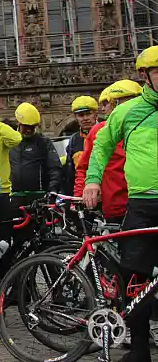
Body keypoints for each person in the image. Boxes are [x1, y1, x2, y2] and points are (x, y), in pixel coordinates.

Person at [84, 46, 158, 362]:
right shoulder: (127, 112)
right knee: (134, 277)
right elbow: (101, 147)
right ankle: (139, 347)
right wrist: (92, 181)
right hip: (142, 203)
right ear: (145, 76)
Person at [74, 80, 141, 223]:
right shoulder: (99, 131)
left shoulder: (147, 127)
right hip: (115, 205)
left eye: (106, 104)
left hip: (145, 202)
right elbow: (84, 167)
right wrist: (79, 196)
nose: (104, 109)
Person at [9, 103, 62, 201]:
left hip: (39, 196)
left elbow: (54, 167)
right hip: (13, 196)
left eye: (32, 127)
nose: (29, 130)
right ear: (18, 122)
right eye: (26, 126)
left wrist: (53, 190)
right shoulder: (9, 141)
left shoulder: (43, 142)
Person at [63, 96, 99, 195]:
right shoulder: (74, 140)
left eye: (88, 114)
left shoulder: (105, 133)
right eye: (81, 115)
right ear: (76, 118)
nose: (85, 118)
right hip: (80, 195)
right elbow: (70, 173)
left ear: (96, 114)